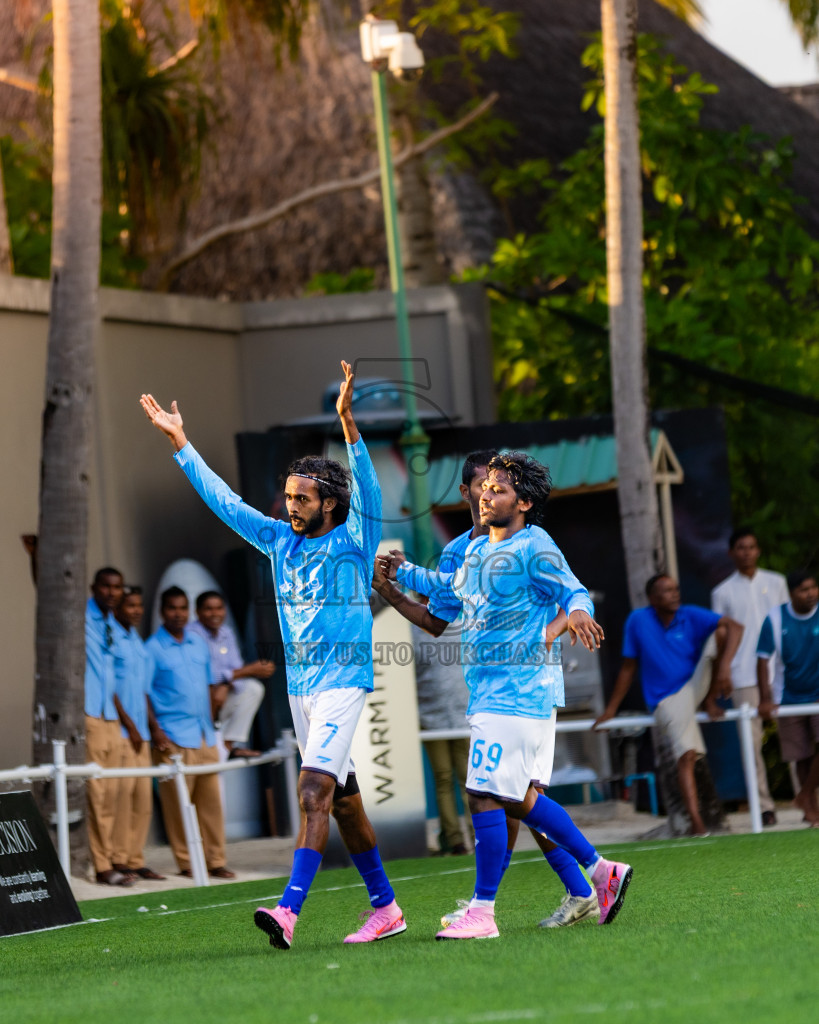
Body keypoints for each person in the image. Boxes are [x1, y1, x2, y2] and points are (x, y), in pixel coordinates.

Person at [140, 361, 405, 949]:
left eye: (302, 499)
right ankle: (386, 908)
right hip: (302, 689)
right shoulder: (278, 539)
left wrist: (348, 425)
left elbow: (374, 491)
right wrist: (182, 444)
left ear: (330, 504)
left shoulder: (354, 539)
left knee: (312, 791)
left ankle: (288, 911)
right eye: (287, 496)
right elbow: (225, 502)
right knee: (343, 804)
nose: (291, 506)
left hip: (343, 682)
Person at [380, 451, 631, 941]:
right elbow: (448, 590)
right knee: (518, 797)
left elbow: (574, 590)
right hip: (494, 692)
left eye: (498, 489)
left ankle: (484, 911)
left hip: (518, 693)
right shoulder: (474, 551)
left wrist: (576, 612)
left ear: (525, 501)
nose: (486, 495)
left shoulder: (534, 545)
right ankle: (599, 874)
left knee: (484, 794)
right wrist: (402, 572)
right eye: (485, 487)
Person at [595, 574, 743, 837]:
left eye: (676, 589)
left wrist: (724, 670)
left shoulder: (689, 614)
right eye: (666, 591)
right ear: (652, 598)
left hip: (695, 687)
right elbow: (628, 668)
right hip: (667, 698)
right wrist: (610, 711)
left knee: (722, 630)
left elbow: (736, 627)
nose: (674, 594)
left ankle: (697, 827)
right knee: (687, 755)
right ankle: (696, 823)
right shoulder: (638, 620)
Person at [146, 586, 236, 880]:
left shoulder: (198, 644)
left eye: (183, 608)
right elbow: (142, 693)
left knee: (212, 804)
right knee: (177, 806)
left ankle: (216, 860)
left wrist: (213, 724)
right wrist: (156, 731)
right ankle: (187, 863)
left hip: (203, 735)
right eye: (172, 608)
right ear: (162, 612)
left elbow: (209, 686)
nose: (178, 614)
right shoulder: (152, 648)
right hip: (171, 737)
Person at [711, 527, 788, 826]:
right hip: (743, 674)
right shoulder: (722, 591)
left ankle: (809, 798)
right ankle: (764, 806)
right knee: (751, 744)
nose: (747, 552)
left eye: (751, 547)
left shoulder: (777, 582)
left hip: (782, 672)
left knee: (797, 737)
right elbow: (721, 636)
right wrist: (723, 671)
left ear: (758, 550)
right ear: (731, 553)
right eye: (741, 547)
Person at [110, 586, 167, 881]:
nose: (135, 610)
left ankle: (135, 857)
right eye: (129, 605)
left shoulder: (136, 640)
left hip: (141, 733)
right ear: (117, 607)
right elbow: (110, 689)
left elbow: (142, 691)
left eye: (138, 605)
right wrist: (131, 726)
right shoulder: (112, 638)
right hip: (121, 731)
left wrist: (153, 727)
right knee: (121, 796)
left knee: (142, 800)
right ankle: (119, 859)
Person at [757, 570, 819, 827]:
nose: (811, 593)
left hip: (817, 695)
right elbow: (762, 659)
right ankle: (812, 811)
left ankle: (803, 794)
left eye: (814, 587)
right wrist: (765, 698)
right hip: (788, 697)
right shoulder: (774, 618)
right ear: (792, 593)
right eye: (804, 589)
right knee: (801, 755)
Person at [410, 608, 472, 856]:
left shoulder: (412, 630)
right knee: (464, 780)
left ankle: (458, 840)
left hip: (448, 713)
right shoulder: (462, 622)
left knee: (448, 780)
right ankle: (466, 839)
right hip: (450, 712)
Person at [85, 566, 132, 887]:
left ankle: (115, 858)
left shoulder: (111, 623)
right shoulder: (80, 617)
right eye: (105, 587)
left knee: (115, 791)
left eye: (117, 588)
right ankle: (101, 866)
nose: (111, 592)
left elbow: (111, 679)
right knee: (96, 792)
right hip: (88, 716)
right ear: (94, 588)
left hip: (111, 718)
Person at [189, 590, 273, 759]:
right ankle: (214, 744)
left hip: (218, 699)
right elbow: (202, 676)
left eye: (219, 608)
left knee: (252, 688)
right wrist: (248, 670)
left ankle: (228, 745)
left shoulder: (225, 632)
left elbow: (236, 671)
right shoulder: (192, 634)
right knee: (213, 690)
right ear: (197, 611)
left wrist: (226, 683)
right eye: (209, 609)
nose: (215, 614)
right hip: (195, 703)